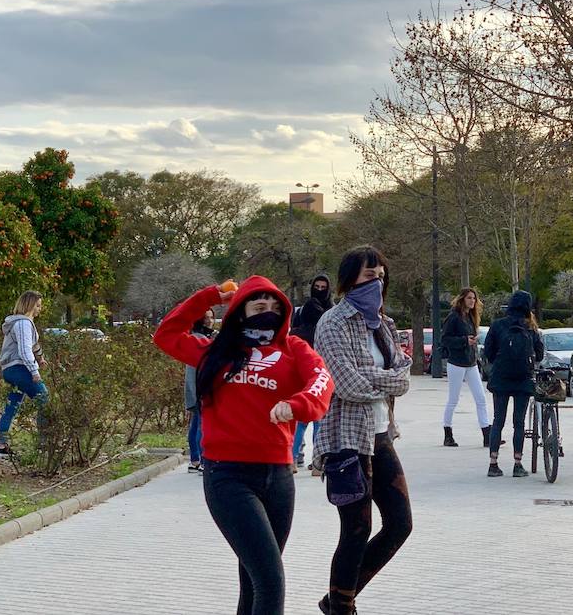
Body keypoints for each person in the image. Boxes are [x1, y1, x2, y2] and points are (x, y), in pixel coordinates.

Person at [153, 275, 334, 615]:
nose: (268, 312)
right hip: (228, 478)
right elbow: (166, 334)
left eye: (275, 307)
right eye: (259, 306)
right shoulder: (214, 351)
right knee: (270, 579)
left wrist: (297, 404)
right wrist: (211, 297)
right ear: (240, 311)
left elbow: (322, 381)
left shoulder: (294, 350)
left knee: (253, 580)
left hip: (279, 477)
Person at [314, 246, 412, 615]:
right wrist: (386, 379)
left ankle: (337, 600)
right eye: (370, 275)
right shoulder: (333, 322)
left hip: (381, 433)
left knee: (400, 524)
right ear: (349, 278)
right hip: (345, 440)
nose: (378, 281)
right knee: (355, 531)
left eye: (381, 275)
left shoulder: (383, 324)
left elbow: (403, 376)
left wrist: (382, 378)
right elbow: (345, 384)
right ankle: (342, 607)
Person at [483, 290, 544, 478]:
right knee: (519, 422)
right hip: (523, 380)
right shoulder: (531, 328)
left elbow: (488, 352)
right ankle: (518, 463)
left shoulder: (497, 325)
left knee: (498, 420)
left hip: (501, 379)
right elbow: (539, 355)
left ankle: (493, 463)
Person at [0, 290, 49, 458]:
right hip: (19, 369)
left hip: (9, 370)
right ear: (30, 305)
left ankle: (1, 446)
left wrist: (40, 358)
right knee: (44, 398)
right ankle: (44, 444)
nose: (40, 309)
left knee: (12, 404)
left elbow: (33, 345)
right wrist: (34, 371)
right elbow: (25, 351)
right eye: (38, 305)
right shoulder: (23, 323)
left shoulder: (20, 323)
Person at [290, 273, 333, 469]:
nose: (320, 290)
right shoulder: (325, 312)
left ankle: (305, 457)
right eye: (318, 286)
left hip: (322, 366)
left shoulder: (330, 311)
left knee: (314, 417)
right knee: (308, 417)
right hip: (305, 365)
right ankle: (307, 457)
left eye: (324, 287)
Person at [441, 288, 492, 447]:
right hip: (456, 362)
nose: (472, 301)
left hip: (471, 362)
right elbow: (445, 339)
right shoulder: (454, 317)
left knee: (481, 398)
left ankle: (486, 434)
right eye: (470, 298)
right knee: (453, 399)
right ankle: (447, 433)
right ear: (462, 299)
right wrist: (464, 341)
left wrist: (472, 344)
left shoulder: (470, 317)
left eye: (474, 299)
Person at [184, 309, 215, 472]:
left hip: (195, 388)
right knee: (202, 426)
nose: (210, 321)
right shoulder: (200, 339)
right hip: (200, 388)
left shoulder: (198, 337)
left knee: (195, 424)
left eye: (211, 317)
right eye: (206, 318)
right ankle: (202, 460)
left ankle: (195, 459)